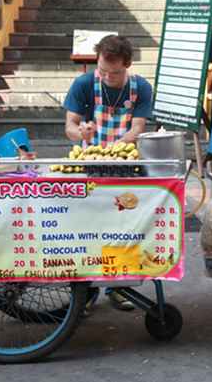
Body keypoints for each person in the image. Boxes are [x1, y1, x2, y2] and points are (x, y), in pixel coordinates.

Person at [63, 35, 153, 311]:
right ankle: (84, 292)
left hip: (124, 167)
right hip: (90, 166)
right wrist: (81, 133)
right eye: (102, 70)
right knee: (87, 229)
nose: (106, 77)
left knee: (122, 228)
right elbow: (70, 127)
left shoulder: (141, 88)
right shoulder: (84, 84)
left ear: (127, 65)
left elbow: (137, 128)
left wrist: (117, 147)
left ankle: (118, 287)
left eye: (114, 73)